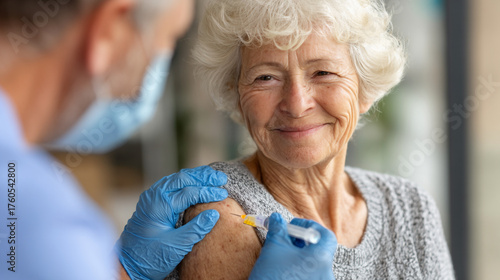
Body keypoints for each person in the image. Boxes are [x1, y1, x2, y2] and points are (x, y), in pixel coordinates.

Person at [0, 0, 337, 279]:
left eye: (323, 72)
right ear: (109, 30)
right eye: (167, 42)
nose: (297, 104)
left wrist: (123, 269)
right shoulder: (34, 219)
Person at [171, 0, 456, 279]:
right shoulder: (220, 212)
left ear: (364, 90)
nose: (296, 104)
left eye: (323, 73)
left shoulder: (410, 207)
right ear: (236, 95)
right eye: (266, 77)